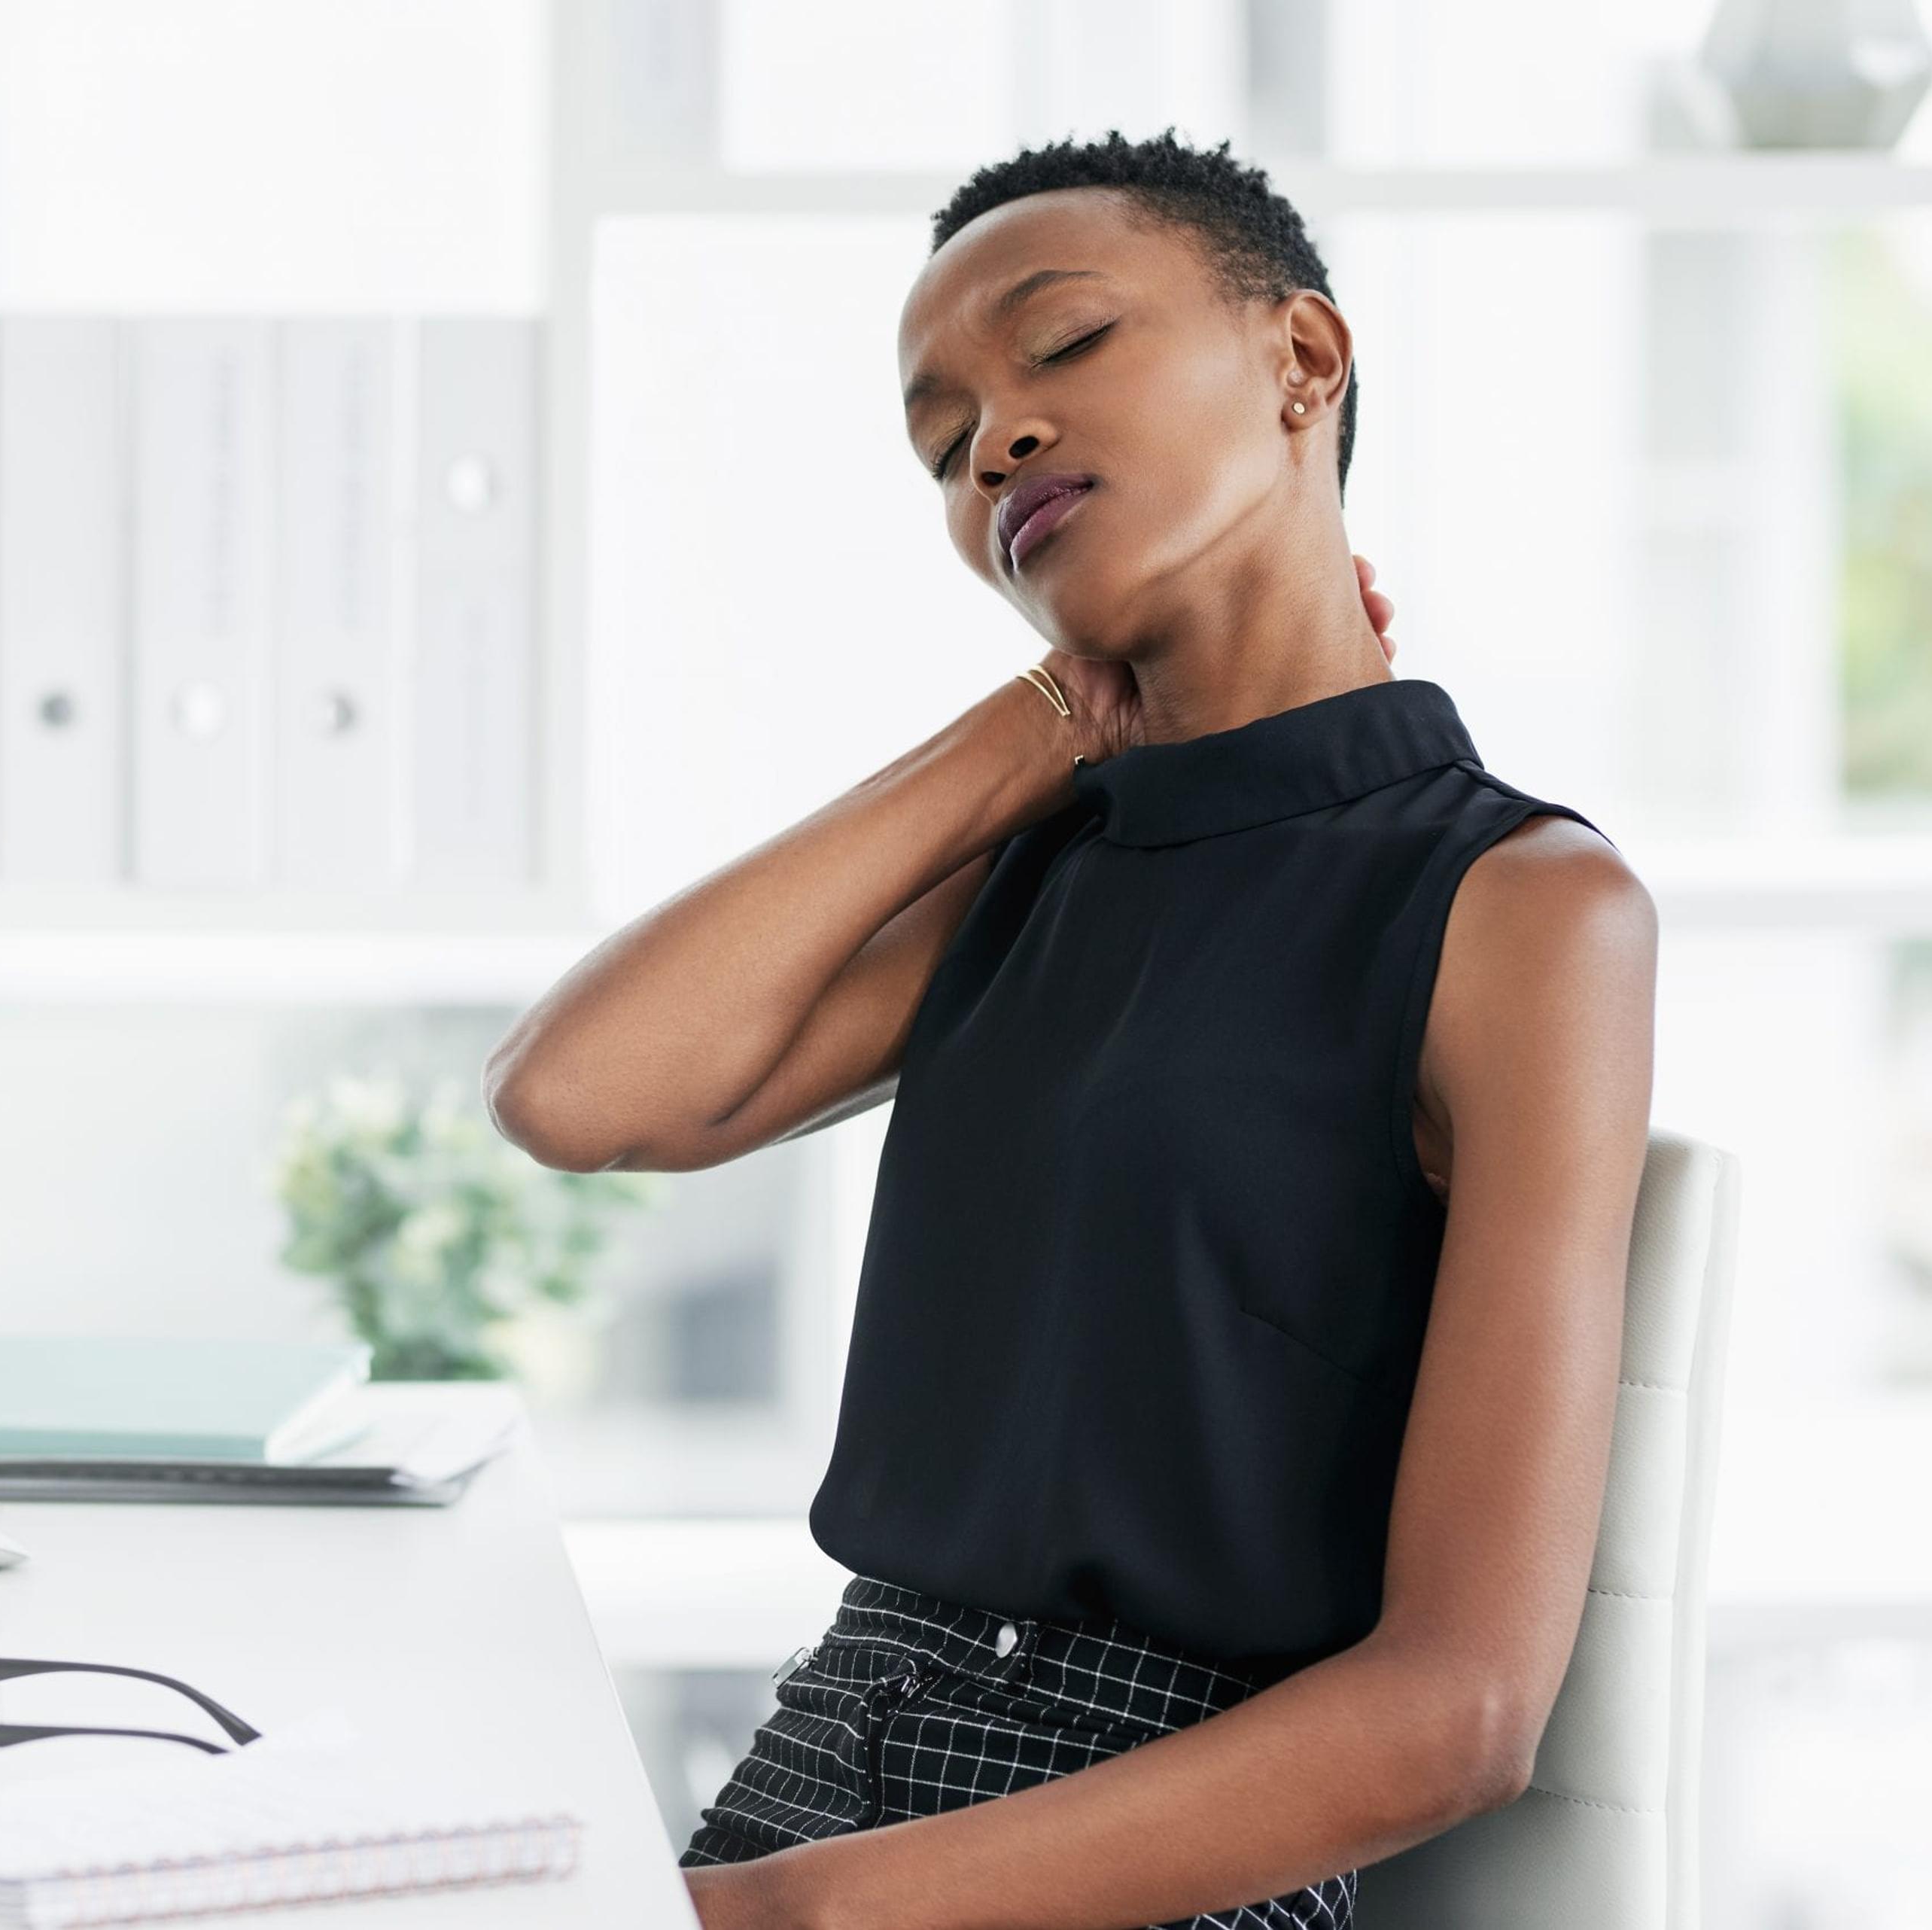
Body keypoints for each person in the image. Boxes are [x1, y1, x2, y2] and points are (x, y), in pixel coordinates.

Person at [483, 130, 1656, 1930]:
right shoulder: (1038, 865)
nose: (997, 443)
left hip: (1137, 1863)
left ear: (1302, 361)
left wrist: (795, 1917)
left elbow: (1460, 1712)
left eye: (1067, 345)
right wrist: (1027, 732)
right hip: (815, 1787)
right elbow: (576, 1091)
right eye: (945, 442)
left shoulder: (1524, 908)